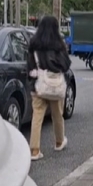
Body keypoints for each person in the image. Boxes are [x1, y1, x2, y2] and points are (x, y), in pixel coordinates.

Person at [27, 15, 71, 161]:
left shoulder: (34, 45)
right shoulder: (59, 45)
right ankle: (59, 142)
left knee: (37, 116)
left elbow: (30, 66)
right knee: (57, 114)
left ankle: (34, 150)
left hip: (38, 85)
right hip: (55, 86)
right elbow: (66, 65)